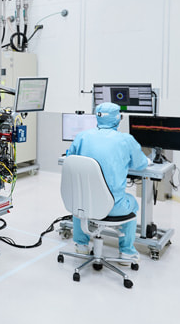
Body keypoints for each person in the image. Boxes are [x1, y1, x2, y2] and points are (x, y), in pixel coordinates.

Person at [64, 102, 149, 263]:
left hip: (86, 205)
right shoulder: (125, 140)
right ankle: (126, 252)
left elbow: (70, 157)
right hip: (113, 208)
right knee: (132, 203)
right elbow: (140, 164)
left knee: (80, 200)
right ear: (118, 119)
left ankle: (81, 245)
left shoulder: (82, 136)